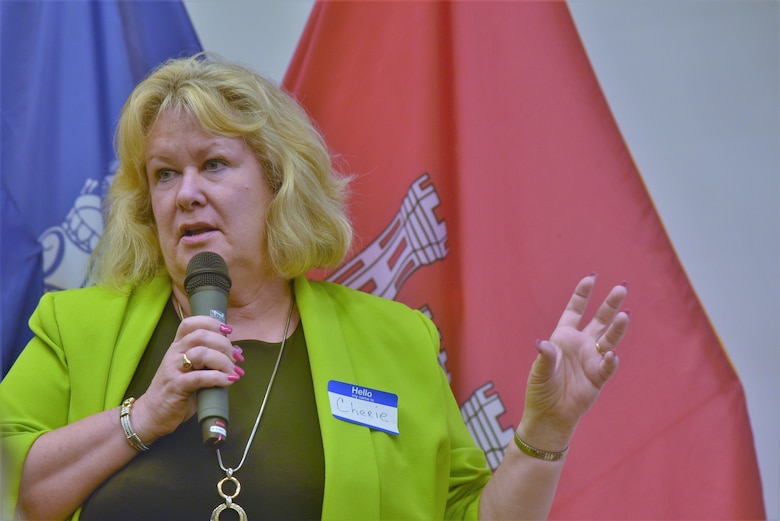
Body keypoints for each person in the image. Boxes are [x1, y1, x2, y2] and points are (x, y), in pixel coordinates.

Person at [0, 52, 629, 521]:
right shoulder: (74, 326)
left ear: (280, 183)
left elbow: (470, 512)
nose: (186, 193)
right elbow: (12, 487)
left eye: (214, 164)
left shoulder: (396, 340)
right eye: (165, 174)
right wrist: (144, 415)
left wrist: (545, 431)